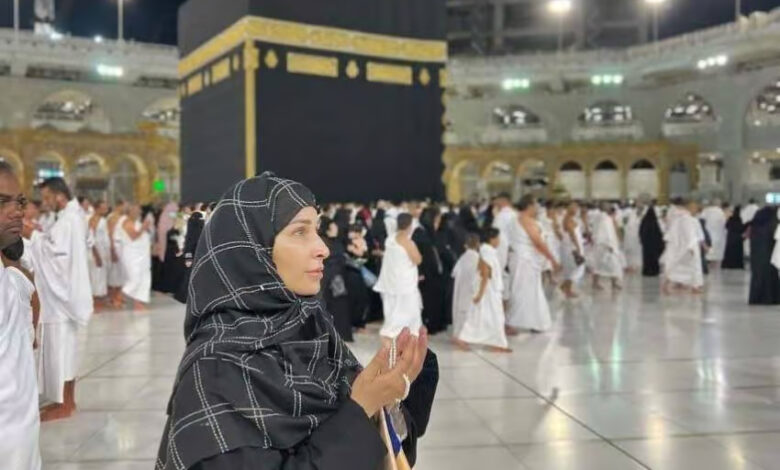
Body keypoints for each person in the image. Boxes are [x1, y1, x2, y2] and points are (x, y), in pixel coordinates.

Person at [156, 173, 437, 470]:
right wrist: (362, 406)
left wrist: (386, 397)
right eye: (300, 232)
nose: (323, 248)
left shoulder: (313, 330)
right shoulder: (216, 370)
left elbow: (376, 449)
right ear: (252, 249)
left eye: (317, 229)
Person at [25, 177, 93, 421]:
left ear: (59, 196)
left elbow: (57, 259)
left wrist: (32, 235)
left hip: (60, 301)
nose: (44, 202)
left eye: (47, 197)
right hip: (63, 299)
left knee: (62, 354)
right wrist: (41, 236)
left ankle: (65, 404)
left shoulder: (68, 220)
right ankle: (65, 401)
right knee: (65, 353)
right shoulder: (71, 217)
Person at [0, 162, 42, 469]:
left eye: (20, 201)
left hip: (20, 431)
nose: (17, 212)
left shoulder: (12, 277)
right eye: (3, 201)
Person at [506, 195, 560, 335]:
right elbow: (537, 242)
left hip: (525, 259)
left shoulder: (518, 219)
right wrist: (552, 259)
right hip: (524, 260)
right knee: (521, 291)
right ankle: (511, 323)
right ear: (529, 206)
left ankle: (534, 322)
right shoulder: (525, 220)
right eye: (535, 205)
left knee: (531, 291)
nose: (537, 208)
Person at [455, 228, 511, 353]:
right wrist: (480, 294)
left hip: (491, 290)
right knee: (491, 316)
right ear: (492, 239)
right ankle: (466, 338)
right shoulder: (487, 252)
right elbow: (485, 274)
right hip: (488, 291)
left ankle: (497, 342)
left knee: (486, 316)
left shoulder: (487, 251)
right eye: (497, 238)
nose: (499, 241)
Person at [375, 213, 424, 340]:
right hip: (404, 283)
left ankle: (392, 331)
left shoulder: (390, 239)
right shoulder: (407, 242)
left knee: (392, 308)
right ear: (409, 225)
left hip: (391, 280)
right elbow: (417, 259)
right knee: (407, 310)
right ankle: (401, 333)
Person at [413, 207, 447, 334]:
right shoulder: (420, 233)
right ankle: (429, 324)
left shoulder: (431, 233)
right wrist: (420, 272)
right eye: (436, 220)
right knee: (428, 300)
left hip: (435, 273)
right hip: (426, 274)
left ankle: (436, 323)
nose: (438, 223)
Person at [320, 218, 354, 342]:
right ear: (328, 230)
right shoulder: (327, 243)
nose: (336, 229)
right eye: (333, 227)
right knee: (337, 306)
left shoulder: (332, 242)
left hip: (330, 278)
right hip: (332, 279)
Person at [661, 199, 705, 294]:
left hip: (677, 246)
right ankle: (695, 286)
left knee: (675, 265)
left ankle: (667, 283)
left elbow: (670, 231)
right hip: (688, 246)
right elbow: (690, 234)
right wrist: (691, 246)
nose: (696, 210)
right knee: (694, 266)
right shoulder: (687, 219)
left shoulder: (677, 217)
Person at [118, 204, 152, 310]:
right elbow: (133, 236)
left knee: (144, 278)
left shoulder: (137, 222)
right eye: (137, 210)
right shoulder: (127, 222)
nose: (139, 212)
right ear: (130, 211)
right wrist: (143, 227)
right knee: (135, 279)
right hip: (132, 254)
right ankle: (118, 297)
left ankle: (138, 303)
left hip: (142, 254)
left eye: (139, 210)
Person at [450, 232, 481, 338]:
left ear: (465, 245)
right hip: (472, 291)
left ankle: (459, 334)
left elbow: (454, 273)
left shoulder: (462, 258)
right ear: (478, 244)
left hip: (461, 290)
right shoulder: (479, 259)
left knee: (460, 311)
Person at [748, 206, 780, 305]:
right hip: (769, 255)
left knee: (758, 276)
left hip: (757, 257)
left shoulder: (756, 227)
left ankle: (756, 297)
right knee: (770, 276)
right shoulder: (772, 224)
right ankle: (771, 298)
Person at [591, 206, 624, 291]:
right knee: (599, 265)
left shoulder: (610, 220)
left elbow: (614, 233)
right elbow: (605, 234)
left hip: (611, 246)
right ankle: (595, 283)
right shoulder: (606, 221)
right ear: (613, 213)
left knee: (614, 265)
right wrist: (608, 245)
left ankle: (614, 283)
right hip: (605, 246)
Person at [491, 193, 517, 300]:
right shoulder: (513, 214)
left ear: (503, 200)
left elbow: (497, 234)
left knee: (502, 278)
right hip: (509, 251)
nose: (495, 202)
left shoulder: (503, 216)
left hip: (503, 251)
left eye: (497, 200)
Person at [560, 200, 586, 298]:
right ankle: (566, 288)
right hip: (572, 246)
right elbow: (572, 234)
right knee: (577, 266)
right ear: (569, 208)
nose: (576, 209)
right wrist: (577, 247)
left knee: (573, 267)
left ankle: (566, 287)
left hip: (574, 245)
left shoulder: (571, 218)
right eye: (574, 207)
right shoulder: (567, 219)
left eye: (576, 207)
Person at [88, 200, 111, 311]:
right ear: (97, 208)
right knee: (96, 277)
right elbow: (91, 238)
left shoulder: (103, 220)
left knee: (101, 276)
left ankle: (100, 300)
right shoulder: (94, 220)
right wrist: (96, 254)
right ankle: (95, 302)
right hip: (96, 252)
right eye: (103, 208)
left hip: (103, 251)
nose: (105, 210)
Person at [106, 201, 127, 308]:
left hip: (123, 246)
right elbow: (110, 233)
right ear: (119, 206)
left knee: (121, 273)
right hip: (115, 245)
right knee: (114, 273)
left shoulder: (123, 217)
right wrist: (112, 249)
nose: (125, 208)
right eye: (124, 206)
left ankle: (119, 295)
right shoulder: (112, 217)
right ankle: (113, 297)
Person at [639, 203, 664, 276]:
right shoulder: (655, 222)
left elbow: (640, 231)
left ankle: (646, 271)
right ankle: (654, 271)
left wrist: (642, 240)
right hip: (654, 245)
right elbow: (659, 233)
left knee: (646, 258)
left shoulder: (644, 221)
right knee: (654, 258)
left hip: (646, 245)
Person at [701, 200, 727, 266]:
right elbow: (724, 222)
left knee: (709, 246)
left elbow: (701, 219)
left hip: (707, 231)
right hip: (718, 232)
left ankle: (708, 260)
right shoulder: (720, 212)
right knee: (716, 248)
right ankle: (714, 261)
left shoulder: (706, 210)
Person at [722, 205, 745, 269]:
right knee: (737, 252)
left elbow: (726, 226)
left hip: (730, 237)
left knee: (730, 252)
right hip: (737, 238)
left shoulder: (731, 218)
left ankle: (728, 264)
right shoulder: (739, 219)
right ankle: (737, 265)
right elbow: (741, 228)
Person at [622, 204, 642, 272]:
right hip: (631, 238)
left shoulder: (638, 218)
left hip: (635, 238)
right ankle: (629, 266)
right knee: (631, 252)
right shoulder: (633, 218)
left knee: (635, 253)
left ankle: (633, 266)